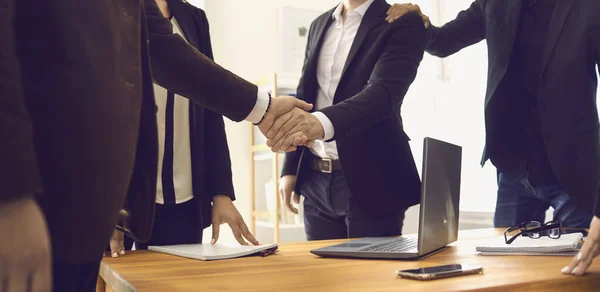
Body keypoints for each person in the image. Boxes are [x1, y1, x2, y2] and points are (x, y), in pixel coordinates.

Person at [0, 0, 311, 291]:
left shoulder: (182, 15)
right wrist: (11, 196)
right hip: (32, 198)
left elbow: (163, 50)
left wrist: (263, 108)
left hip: (83, 211)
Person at [386, 0, 600, 275]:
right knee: (508, 272)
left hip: (575, 171)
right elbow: (442, 41)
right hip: (514, 170)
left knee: (581, 275)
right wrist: (421, 21)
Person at [107, 0, 257, 258]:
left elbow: (210, 103)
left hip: (185, 196)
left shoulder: (194, 18)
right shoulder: (112, 7)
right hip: (124, 196)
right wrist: (107, 207)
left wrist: (221, 191)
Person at [268, 0, 426, 240]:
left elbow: (382, 95)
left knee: (368, 277)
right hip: (315, 182)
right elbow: (304, 97)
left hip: (373, 179)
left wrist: (319, 124)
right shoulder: (318, 25)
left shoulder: (402, 21)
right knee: (322, 277)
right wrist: (289, 169)